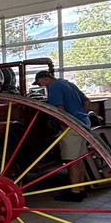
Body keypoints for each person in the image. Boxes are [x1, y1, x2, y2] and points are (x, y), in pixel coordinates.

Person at [32, 69, 91, 202]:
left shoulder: (54, 87)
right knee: (79, 158)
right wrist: (79, 116)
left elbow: (58, 108)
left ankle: (75, 192)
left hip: (71, 127)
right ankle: (80, 189)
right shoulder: (68, 84)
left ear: (44, 78)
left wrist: (63, 124)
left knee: (71, 160)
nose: (41, 86)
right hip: (83, 123)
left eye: (40, 82)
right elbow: (87, 103)